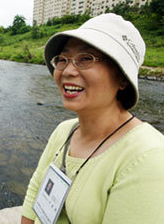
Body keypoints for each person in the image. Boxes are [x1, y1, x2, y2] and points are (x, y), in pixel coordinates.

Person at [21, 13, 164, 224]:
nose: (67, 71)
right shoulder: (65, 130)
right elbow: (35, 191)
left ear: (123, 78)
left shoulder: (148, 157)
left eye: (86, 59)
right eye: (63, 59)